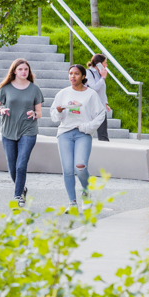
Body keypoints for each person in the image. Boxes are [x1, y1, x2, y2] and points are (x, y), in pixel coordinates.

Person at [51, 63, 105, 207]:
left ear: (83, 76)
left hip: (83, 134)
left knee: (80, 166)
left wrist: (87, 127)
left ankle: (86, 192)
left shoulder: (91, 94)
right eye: (70, 74)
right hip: (65, 133)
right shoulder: (62, 94)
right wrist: (58, 111)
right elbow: (54, 117)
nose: (72, 76)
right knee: (68, 169)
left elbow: (101, 114)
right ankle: (72, 202)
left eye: (76, 74)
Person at [0, 58, 43, 205]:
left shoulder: (34, 89)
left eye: (26, 69)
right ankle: (22, 188)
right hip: (8, 130)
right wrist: (1, 110)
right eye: (20, 69)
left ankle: (17, 196)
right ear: (14, 71)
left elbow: (39, 112)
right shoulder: (5, 88)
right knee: (12, 167)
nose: (23, 72)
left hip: (28, 130)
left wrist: (34, 113)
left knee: (21, 165)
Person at [87, 53, 114, 142]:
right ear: (98, 63)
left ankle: (106, 151)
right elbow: (94, 88)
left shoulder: (100, 74)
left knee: (103, 135)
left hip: (101, 107)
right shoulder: (89, 73)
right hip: (92, 107)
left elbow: (102, 91)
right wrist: (103, 78)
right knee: (86, 131)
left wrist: (105, 103)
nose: (106, 65)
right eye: (105, 63)